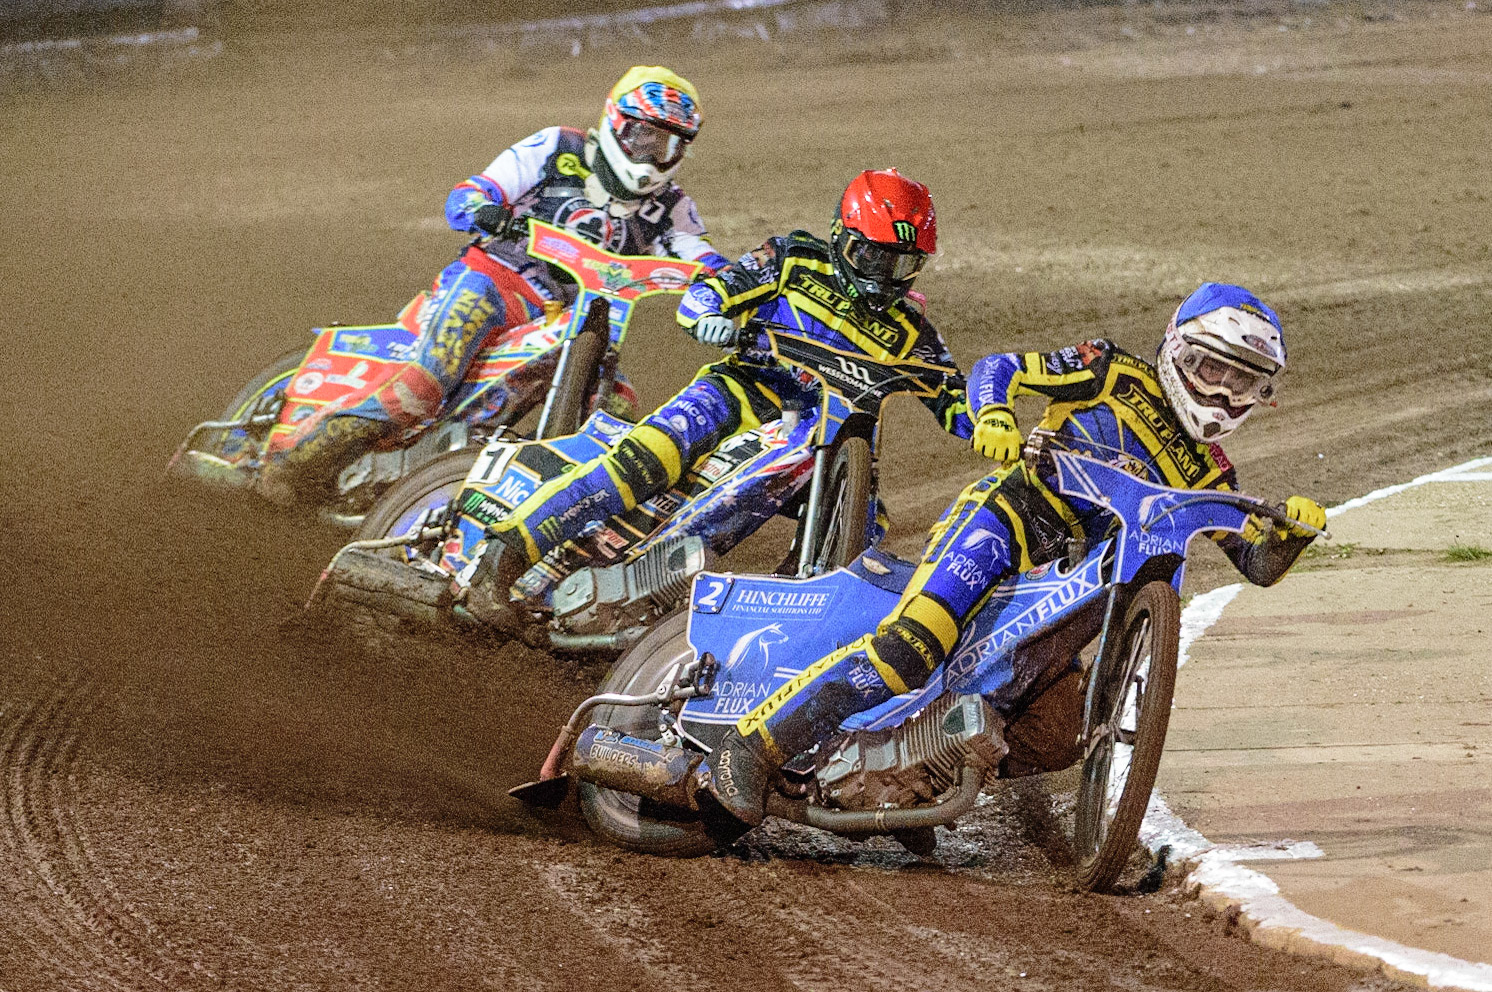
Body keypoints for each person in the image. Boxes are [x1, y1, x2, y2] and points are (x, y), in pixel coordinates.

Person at [699, 281, 1329, 835]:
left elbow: (1258, 564)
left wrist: (1292, 534)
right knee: (913, 646)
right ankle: (752, 747)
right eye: (1208, 368)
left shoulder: (1211, 474)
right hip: (1005, 523)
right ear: (1174, 351)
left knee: (1060, 734)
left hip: (1066, 589)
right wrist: (994, 412)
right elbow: (1001, 366)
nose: (1220, 393)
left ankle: (915, 776)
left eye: (1241, 381)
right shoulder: (1110, 371)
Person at [468, 168, 973, 622]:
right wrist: (710, 319)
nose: (881, 278)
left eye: (901, 264)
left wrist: (994, 423)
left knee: (867, 527)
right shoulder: (793, 258)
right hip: (739, 389)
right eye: (872, 257)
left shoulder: (913, 330)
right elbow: (710, 292)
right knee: (649, 459)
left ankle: (779, 622)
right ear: (842, 239)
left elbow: (957, 400)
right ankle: (497, 565)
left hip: (820, 436)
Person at [258, 66, 729, 505]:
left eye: (667, 145)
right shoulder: (557, 148)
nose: (651, 154)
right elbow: (467, 195)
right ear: (614, 122)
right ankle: (288, 465)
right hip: (493, 282)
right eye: (643, 134)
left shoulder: (671, 207)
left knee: (618, 410)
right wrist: (486, 210)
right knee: (422, 386)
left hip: (573, 315)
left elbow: (704, 260)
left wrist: (736, 289)